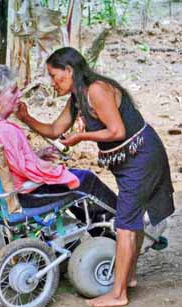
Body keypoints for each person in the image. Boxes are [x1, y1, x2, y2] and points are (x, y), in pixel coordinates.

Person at [15, 47, 175, 307]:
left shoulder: (96, 90)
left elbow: (116, 130)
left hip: (142, 157)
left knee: (124, 223)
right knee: (130, 219)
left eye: (55, 76)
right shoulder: (77, 98)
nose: (53, 83)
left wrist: (81, 137)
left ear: (70, 71)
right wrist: (25, 117)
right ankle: (128, 277)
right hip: (127, 163)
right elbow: (55, 129)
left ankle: (118, 294)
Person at [0, 64, 117, 218]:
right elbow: (30, 171)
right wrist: (55, 169)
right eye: (13, 91)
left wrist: (36, 155)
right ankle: (118, 225)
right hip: (21, 196)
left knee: (73, 180)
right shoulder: (6, 131)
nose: (19, 94)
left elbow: (4, 161)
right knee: (85, 180)